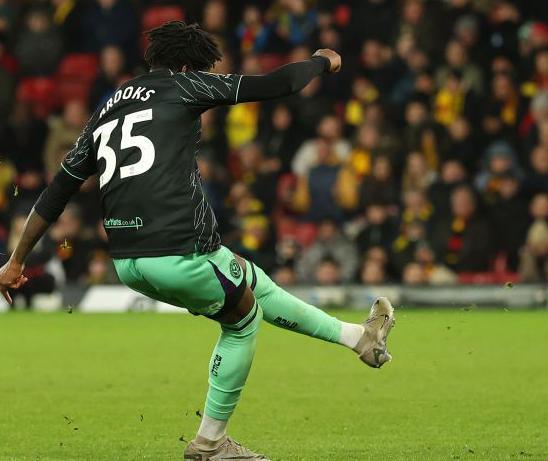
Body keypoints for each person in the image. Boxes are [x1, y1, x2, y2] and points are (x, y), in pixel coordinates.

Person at [0, 22, 396, 461]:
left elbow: (58, 189)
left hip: (128, 260)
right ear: (188, 66)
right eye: (205, 68)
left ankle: (360, 339)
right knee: (243, 320)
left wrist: (15, 260)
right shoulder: (184, 85)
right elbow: (277, 83)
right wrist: (322, 60)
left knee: (247, 277)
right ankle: (210, 443)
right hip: (178, 248)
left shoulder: (109, 106)